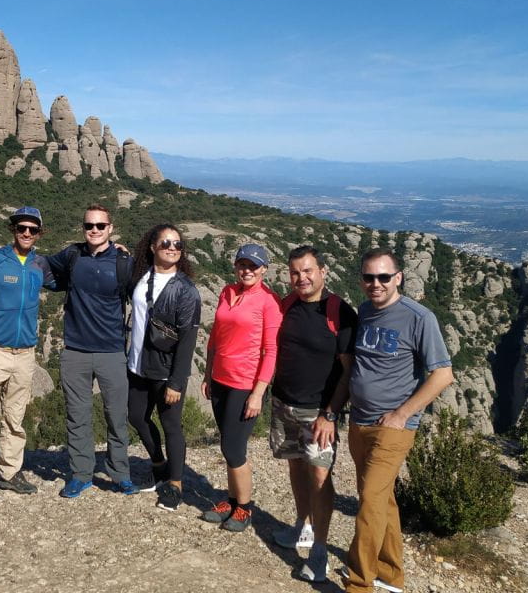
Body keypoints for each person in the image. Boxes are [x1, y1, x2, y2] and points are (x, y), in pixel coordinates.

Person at [341, 248, 453, 593]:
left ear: (398, 277)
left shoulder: (419, 318)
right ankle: (391, 574)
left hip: (393, 428)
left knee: (369, 503)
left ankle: (359, 584)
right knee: (381, 501)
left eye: (384, 277)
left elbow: (443, 375)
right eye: (369, 277)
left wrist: (402, 414)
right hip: (360, 424)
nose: (376, 284)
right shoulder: (363, 312)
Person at [269, 245, 357, 582]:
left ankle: (319, 552)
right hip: (283, 405)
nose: (301, 278)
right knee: (296, 467)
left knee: (320, 478)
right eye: (295, 272)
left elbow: (349, 372)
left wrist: (330, 414)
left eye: (308, 271)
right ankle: (301, 527)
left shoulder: (340, 313)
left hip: (319, 414)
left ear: (322, 272)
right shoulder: (287, 304)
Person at [0, 206, 55, 508]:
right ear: (13, 230)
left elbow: (73, 272)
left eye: (32, 229)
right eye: (21, 228)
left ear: (39, 233)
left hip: (26, 353)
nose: (26, 233)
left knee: (15, 419)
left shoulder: (38, 265)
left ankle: (9, 472)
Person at [46, 205, 138, 498]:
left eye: (100, 225)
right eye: (89, 226)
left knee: (116, 416)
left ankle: (120, 473)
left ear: (111, 228)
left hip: (112, 350)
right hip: (75, 350)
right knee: (78, 416)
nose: (94, 230)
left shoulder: (125, 262)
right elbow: (40, 264)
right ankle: (81, 474)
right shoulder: (72, 255)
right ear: (83, 228)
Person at [200, 243, 282, 532]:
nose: (247, 270)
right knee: (227, 445)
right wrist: (208, 374)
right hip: (220, 380)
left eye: (254, 266)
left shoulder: (269, 302)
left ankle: (244, 508)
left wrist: (258, 393)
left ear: (264, 270)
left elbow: (271, 350)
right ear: (235, 266)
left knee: (234, 449)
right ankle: (231, 500)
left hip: (245, 385)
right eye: (242, 264)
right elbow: (214, 338)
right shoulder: (227, 292)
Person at [126, 224, 202, 511]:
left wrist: (177, 382)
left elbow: (187, 341)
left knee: (171, 426)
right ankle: (158, 464)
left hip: (166, 370)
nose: (172, 248)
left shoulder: (186, 291)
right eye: (166, 243)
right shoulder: (140, 276)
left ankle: (175, 484)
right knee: (136, 416)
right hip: (137, 366)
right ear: (152, 246)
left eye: (177, 244)